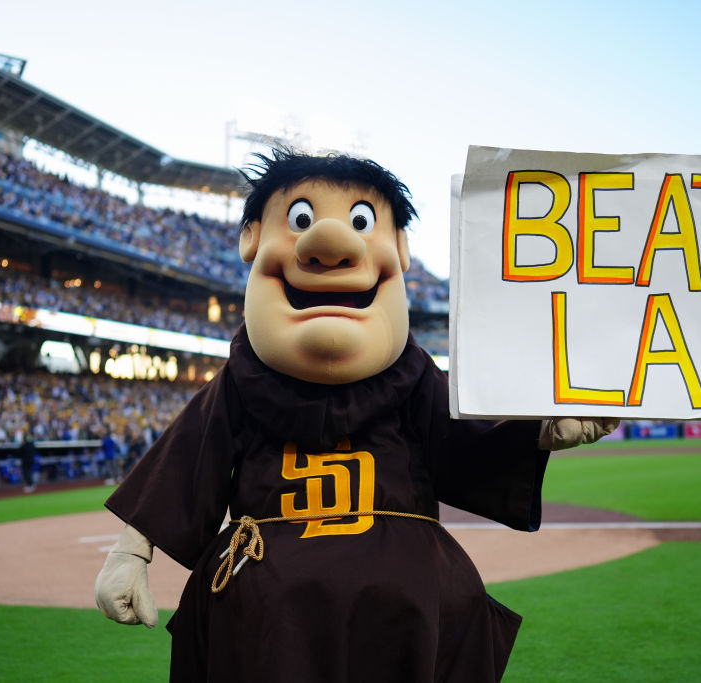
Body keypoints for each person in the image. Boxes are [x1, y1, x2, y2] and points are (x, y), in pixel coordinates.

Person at [94, 150, 616, 682]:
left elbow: (467, 440)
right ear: (252, 237)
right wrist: (132, 551)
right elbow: (190, 459)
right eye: (301, 219)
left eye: (361, 222)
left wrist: (538, 430)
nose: (331, 242)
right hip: (272, 615)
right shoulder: (240, 379)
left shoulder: (413, 374)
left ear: (400, 250)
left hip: (398, 611)